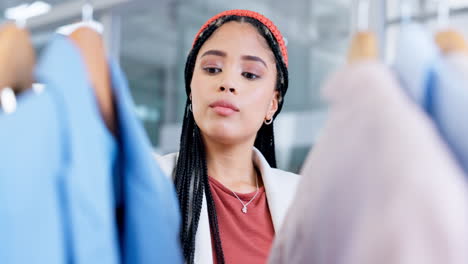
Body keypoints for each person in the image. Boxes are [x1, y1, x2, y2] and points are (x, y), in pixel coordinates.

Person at [157, 9, 299, 264]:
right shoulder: (152, 184)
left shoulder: (303, 200)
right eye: (212, 69)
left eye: (250, 74)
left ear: (273, 104)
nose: (228, 83)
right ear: (191, 87)